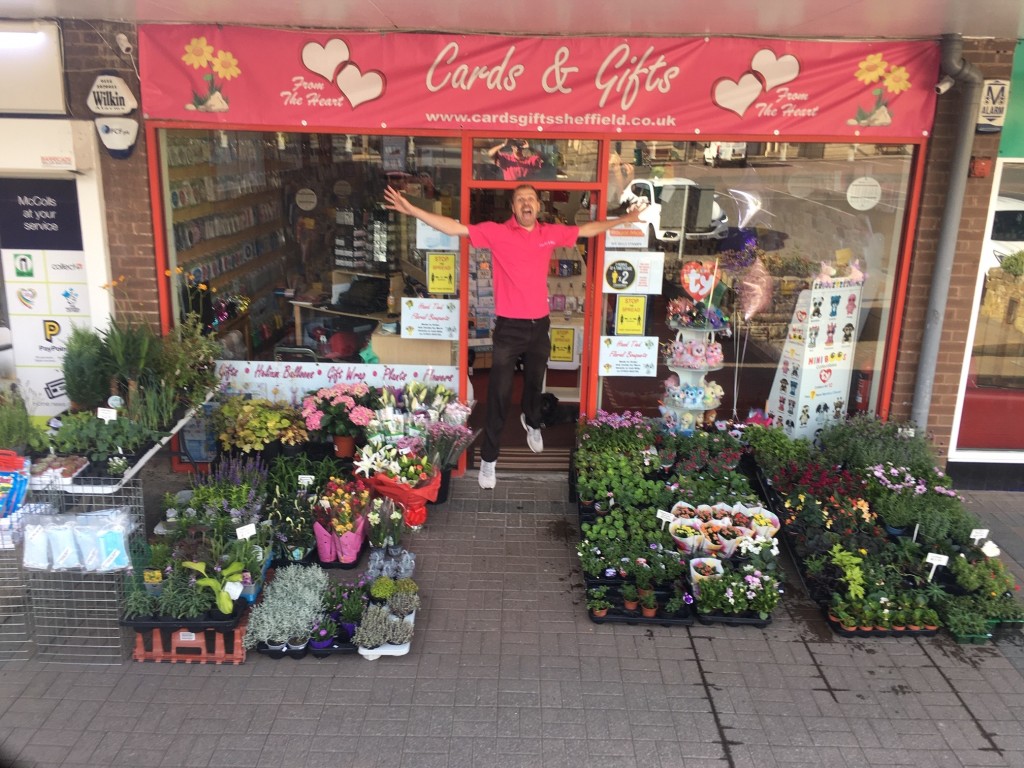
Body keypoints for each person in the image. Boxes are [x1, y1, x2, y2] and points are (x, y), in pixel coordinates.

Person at [383, 183, 645, 489]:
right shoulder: (497, 232)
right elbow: (455, 229)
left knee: (535, 386)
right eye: (520, 199)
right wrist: (411, 209)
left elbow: (588, 229)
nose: (526, 204)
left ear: (538, 205)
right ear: (513, 207)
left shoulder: (549, 231)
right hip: (509, 327)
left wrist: (624, 220)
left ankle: (532, 422)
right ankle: (490, 459)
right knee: (499, 393)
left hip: (540, 325)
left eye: (531, 199)